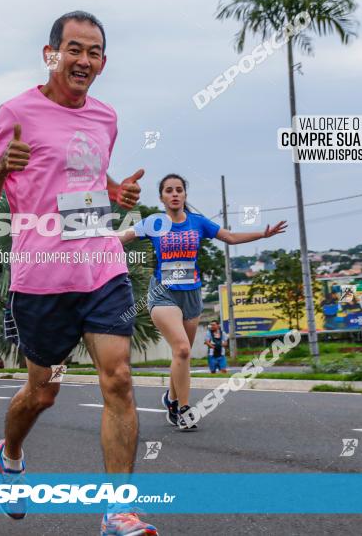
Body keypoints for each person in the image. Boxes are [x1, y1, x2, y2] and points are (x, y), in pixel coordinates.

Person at [0, 11, 156, 534]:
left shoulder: (105, 118)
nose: (84, 60)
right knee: (42, 392)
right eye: (74, 49)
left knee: (118, 379)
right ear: (51, 54)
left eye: (94, 52)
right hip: (42, 276)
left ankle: (118, 510)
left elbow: (83, 173)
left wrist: (115, 191)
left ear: (103, 62)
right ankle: (10, 455)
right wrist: (5, 165)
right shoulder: (15, 112)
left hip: (101, 265)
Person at [118, 173, 285, 430]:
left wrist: (262, 235)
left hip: (192, 296)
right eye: (168, 190)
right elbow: (123, 237)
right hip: (163, 294)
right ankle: (185, 410)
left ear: (185, 195)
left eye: (179, 190)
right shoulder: (155, 222)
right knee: (183, 349)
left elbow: (229, 237)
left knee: (180, 355)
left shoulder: (198, 223)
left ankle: (171, 399)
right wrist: (87, 239)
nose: (174, 194)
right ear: (162, 197)